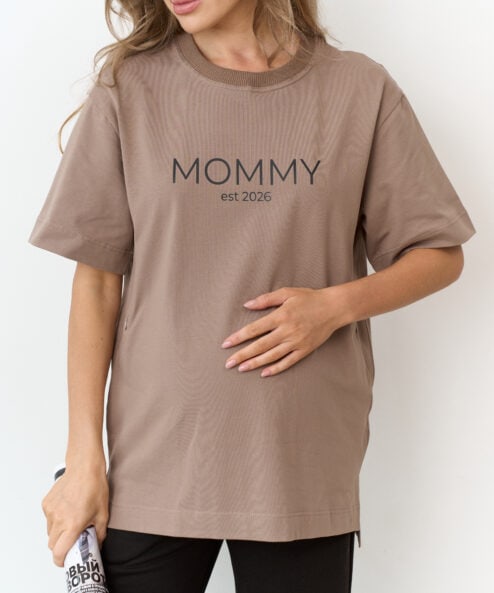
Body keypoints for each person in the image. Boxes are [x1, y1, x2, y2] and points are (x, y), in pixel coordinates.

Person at [29, 0, 477, 592]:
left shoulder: (358, 89)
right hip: (155, 459)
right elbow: (96, 283)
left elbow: (439, 253)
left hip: (298, 459)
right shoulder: (130, 89)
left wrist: (333, 307)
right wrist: (83, 458)